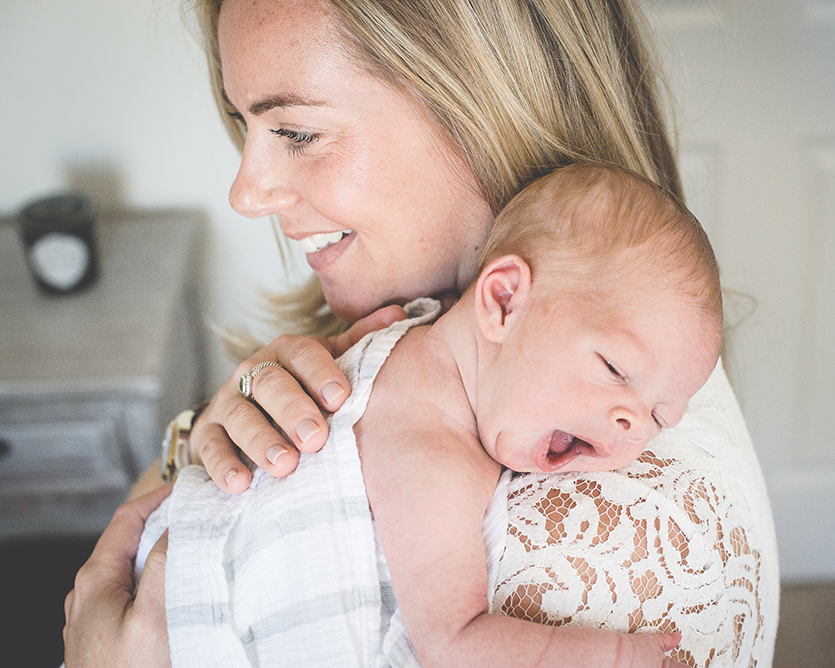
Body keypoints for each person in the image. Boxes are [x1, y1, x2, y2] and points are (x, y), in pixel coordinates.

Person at [63, 0, 779, 666]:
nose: (245, 192)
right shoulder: (457, 343)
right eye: (245, 125)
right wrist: (207, 437)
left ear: (483, 103)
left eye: (298, 132)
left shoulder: (584, 554)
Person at [133, 163, 722, 667]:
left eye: (661, 416)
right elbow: (453, 642)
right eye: (616, 369)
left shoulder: (417, 334)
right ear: (503, 301)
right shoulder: (429, 444)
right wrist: (615, 655)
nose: (635, 426)